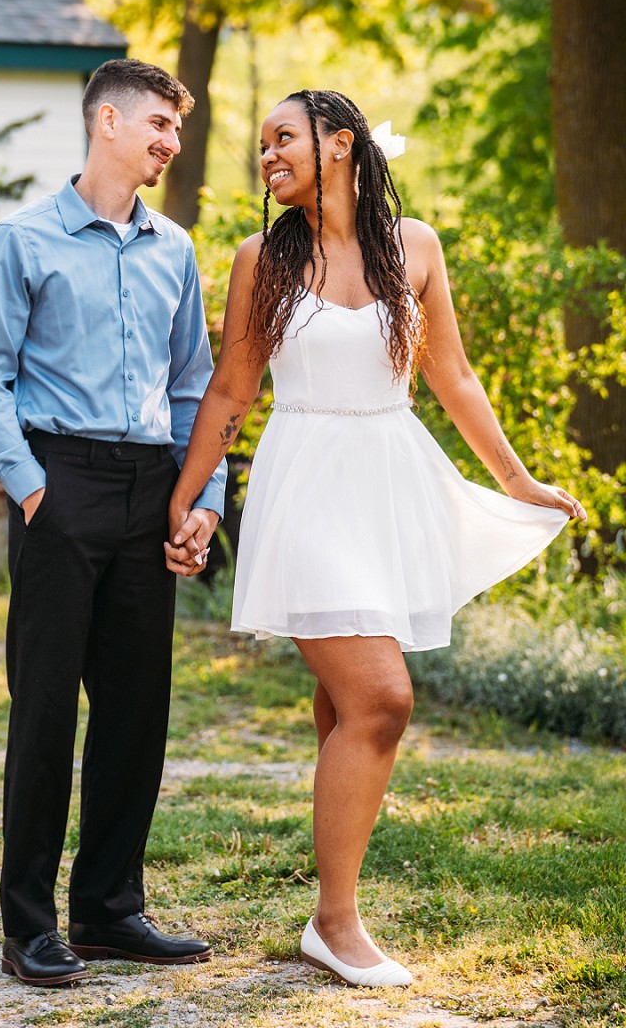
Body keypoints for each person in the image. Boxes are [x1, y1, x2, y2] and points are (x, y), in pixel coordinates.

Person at [165, 88, 586, 989]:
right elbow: (232, 392)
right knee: (381, 698)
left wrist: (517, 481)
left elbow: (455, 376)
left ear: (341, 144)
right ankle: (337, 921)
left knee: (341, 704)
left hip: (391, 482)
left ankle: (332, 910)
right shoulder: (261, 259)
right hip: (306, 482)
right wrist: (186, 499)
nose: (267, 155)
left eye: (285, 138)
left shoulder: (416, 248)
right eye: (262, 144)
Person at [0, 58, 226, 987]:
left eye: (178, 129)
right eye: (158, 122)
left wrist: (202, 496)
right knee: (43, 714)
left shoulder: (175, 250)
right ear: (105, 121)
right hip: (59, 483)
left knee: (135, 713)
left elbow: (196, 386)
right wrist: (34, 489)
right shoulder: (24, 239)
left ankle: (111, 909)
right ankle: (29, 923)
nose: (170, 142)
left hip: (149, 486)